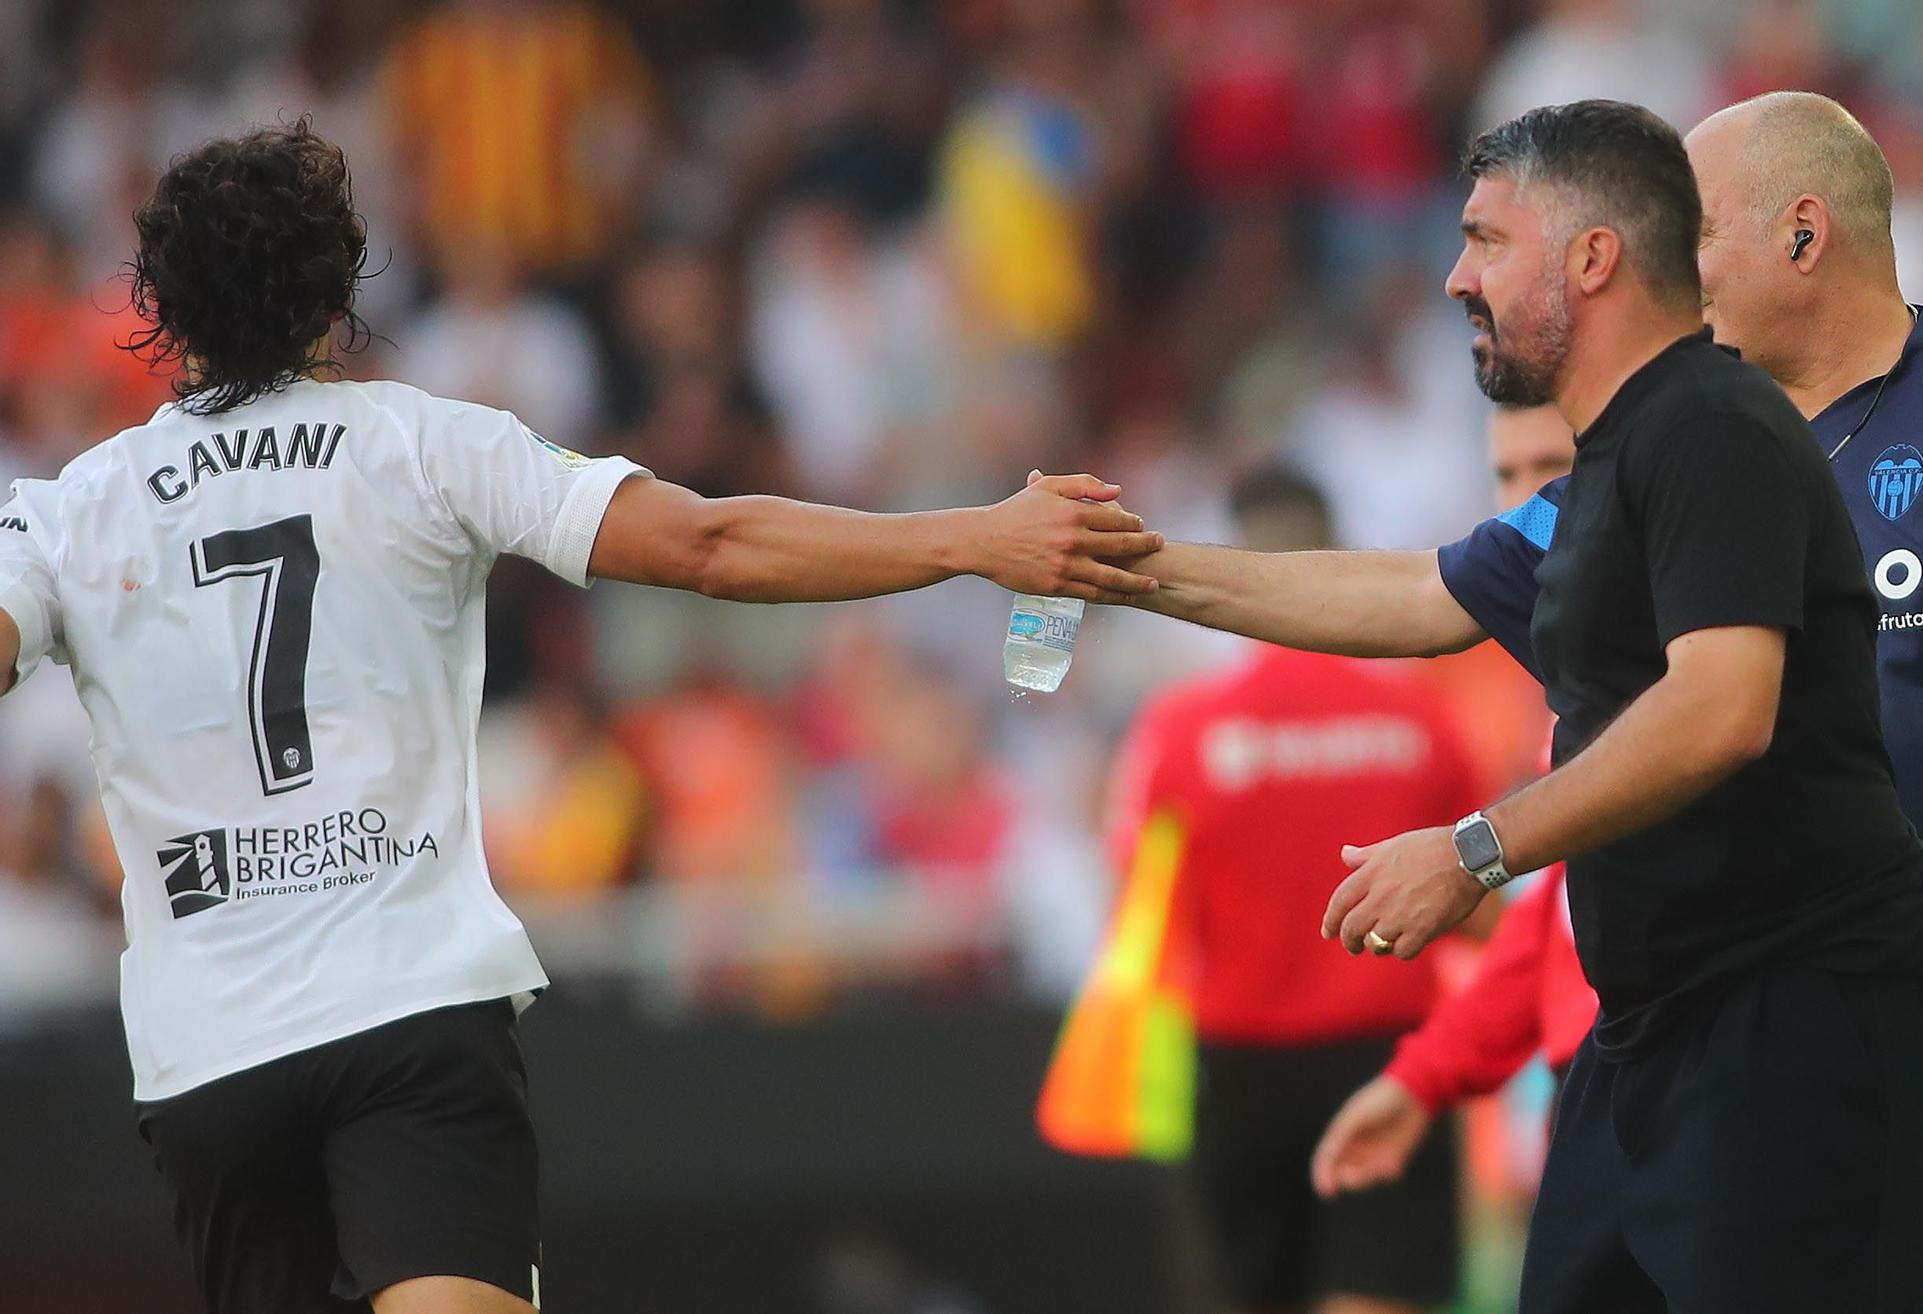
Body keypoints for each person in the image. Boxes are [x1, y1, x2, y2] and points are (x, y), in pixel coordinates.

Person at [0, 121, 1160, 1314]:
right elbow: (710, 544)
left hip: (212, 1061)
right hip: (405, 1014)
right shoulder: (427, 443)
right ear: (332, 292)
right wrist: (974, 536)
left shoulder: (67, 513)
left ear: (161, 306)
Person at [1105, 100, 1923, 1311]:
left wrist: (1472, 850)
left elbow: (1719, 710)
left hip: (1823, 1013)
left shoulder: (1734, 427)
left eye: (1483, 240)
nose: (1455, 277)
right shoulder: (1627, 461)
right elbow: (1414, 592)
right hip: (1665, 1020)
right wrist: (1123, 567)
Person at [1683, 90, 1923, 1313]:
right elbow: (1437, 592)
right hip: (1776, 1099)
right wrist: (1136, 568)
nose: (1672, 273)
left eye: (1696, 235)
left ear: (1802, 236)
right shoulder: (1690, 457)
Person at [1090, 467, 1481, 1314]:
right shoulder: (1419, 721)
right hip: (1389, 1055)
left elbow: (1140, 905)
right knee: (1379, 1289)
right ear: (1336, 551)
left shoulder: (1182, 734)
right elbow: (1481, 895)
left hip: (1238, 1070)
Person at [1307, 403, 1597, 1203]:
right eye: (1507, 475)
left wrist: (1467, 859)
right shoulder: (1539, 684)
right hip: (1585, 1094)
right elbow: (1549, 931)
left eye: (1553, 469)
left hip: (1687, 1096)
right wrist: (1423, 1080)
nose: (1528, 506)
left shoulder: (1696, 678)